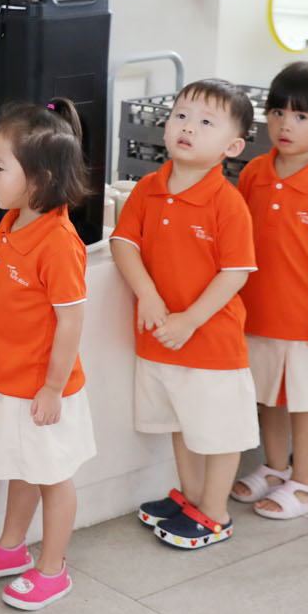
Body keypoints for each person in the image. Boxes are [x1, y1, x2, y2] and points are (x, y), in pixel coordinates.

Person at [0, 98, 95, 610]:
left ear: (40, 176)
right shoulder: (13, 221)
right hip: (9, 380)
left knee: (52, 476)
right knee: (23, 469)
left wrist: (52, 387)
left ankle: (53, 568)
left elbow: (71, 319)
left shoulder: (58, 242)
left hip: (42, 390)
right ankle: (12, 548)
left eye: (0, 167)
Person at [111, 79, 258, 550]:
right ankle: (193, 499)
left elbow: (235, 274)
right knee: (181, 424)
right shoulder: (149, 188)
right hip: (161, 337)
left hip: (211, 344)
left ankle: (215, 514)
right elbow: (123, 243)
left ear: (232, 147)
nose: (188, 127)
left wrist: (189, 319)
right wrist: (149, 297)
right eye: (180, 116)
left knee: (217, 432)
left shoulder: (227, 203)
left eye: (206, 122)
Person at [229, 63, 308, 519]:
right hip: (259, 313)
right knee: (269, 397)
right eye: (277, 111)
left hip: (307, 322)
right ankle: (275, 467)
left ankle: (305, 482)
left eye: (302, 116)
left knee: (305, 405)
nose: (285, 124)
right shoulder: (254, 173)